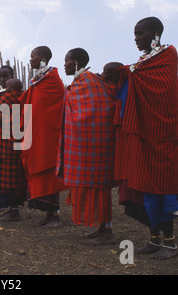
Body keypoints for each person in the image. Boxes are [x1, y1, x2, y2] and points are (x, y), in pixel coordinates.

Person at [115, 17, 178, 260]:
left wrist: (126, 72)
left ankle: (171, 244)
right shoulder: (144, 62)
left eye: (140, 34)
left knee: (161, 188)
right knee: (145, 189)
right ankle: (154, 240)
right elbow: (134, 78)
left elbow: (158, 90)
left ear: (155, 33)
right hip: (144, 135)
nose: (136, 39)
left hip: (162, 136)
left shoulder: (167, 55)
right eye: (134, 34)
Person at [57, 48, 118, 245]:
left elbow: (97, 110)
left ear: (75, 62)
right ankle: (102, 227)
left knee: (99, 188)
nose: (64, 64)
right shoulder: (79, 83)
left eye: (67, 61)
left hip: (94, 146)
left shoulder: (89, 81)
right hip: (84, 146)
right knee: (94, 189)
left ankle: (107, 231)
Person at [18, 46, 66, 227]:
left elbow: (54, 108)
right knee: (37, 171)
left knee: (48, 172)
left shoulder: (52, 80)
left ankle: (55, 214)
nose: (30, 60)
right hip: (35, 133)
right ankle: (47, 213)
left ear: (43, 57)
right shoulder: (37, 80)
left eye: (33, 57)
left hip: (48, 135)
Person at [0, 78, 28, 222]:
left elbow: (5, 118)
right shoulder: (23, 98)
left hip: (6, 144)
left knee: (8, 178)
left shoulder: (9, 98)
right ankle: (13, 208)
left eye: (7, 86)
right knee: (15, 177)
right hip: (15, 141)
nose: (4, 88)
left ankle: (13, 210)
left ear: (12, 88)